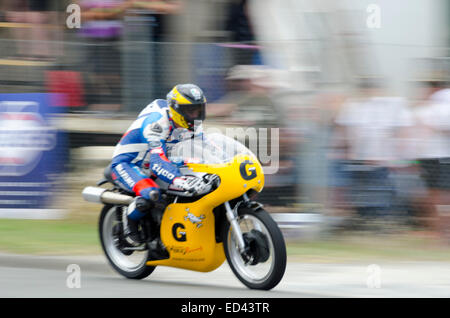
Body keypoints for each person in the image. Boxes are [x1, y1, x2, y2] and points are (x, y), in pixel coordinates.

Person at [109, 83, 210, 247]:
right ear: (177, 110)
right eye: (191, 111)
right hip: (129, 163)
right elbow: (157, 162)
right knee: (151, 193)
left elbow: (206, 148)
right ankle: (129, 225)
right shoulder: (156, 124)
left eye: (199, 110)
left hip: (158, 162)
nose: (196, 115)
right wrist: (178, 179)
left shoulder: (192, 125)